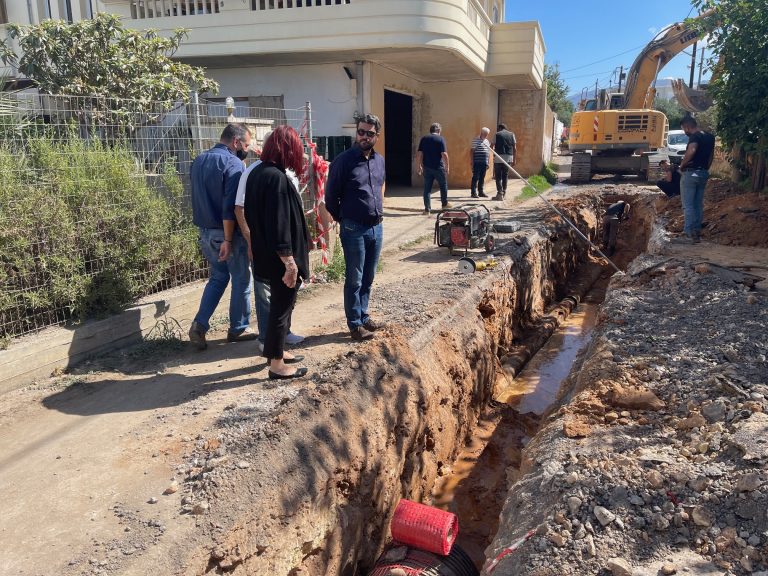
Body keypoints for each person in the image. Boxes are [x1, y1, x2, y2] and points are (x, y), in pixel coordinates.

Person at [243, 125, 309, 380]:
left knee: (277, 308)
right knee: (281, 308)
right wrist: (290, 263)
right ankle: (277, 366)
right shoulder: (277, 179)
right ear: (287, 149)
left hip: (265, 253)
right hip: (279, 258)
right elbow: (279, 225)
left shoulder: (258, 173)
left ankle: (276, 352)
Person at [188, 123, 257, 350]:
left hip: (205, 232)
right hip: (227, 235)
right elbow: (231, 207)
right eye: (246, 145)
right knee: (241, 279)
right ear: (236, 142)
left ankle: (199, 325)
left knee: (218, 278)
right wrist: (228, 240)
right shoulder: (233, 163)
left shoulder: (199, 160)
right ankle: (238, 328)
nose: (247, 149)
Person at [325, 113, 386, 341]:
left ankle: (363, 315)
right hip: (354, 228)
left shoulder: (379, 160)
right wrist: (344, 219)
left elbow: (380, 185)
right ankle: (354, 325)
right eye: (361, 132)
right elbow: (331, 196)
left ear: (376, 136)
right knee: (355, 278)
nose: (364, 136)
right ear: (356, 132)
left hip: (376, 227)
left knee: (369, 276)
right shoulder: (343, 161)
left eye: (369, 133)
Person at [678, 116, 715, 243]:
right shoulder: (710, 137)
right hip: (703, 173)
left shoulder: (695, 136)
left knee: (688, 205)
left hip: (691, 173)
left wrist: (682, 165)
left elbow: (692, 150)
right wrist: (706, 168)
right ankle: (696, 233)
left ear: (687, 127)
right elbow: (711, 156)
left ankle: (688, 235)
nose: (684, 132)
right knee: (698, 204)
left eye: (684, 129)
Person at [416, 122, 450, 214]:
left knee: (427, 188)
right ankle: (444, 204)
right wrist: (447, 166)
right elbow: (444, 154)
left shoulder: (424, 138)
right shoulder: (440, 139)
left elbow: (419, 153)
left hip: (427, 167)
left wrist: (418, 166)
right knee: (443, 185)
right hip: (438, 167)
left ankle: (427, 209)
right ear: (438, 130)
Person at [492, 123, 517, 200]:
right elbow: (515, 148)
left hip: (498, 157)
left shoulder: (497, 134)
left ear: (499, 128)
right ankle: (504, 193)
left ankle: (500, 194)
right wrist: (514, 159)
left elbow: (491, 146)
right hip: (509, 157)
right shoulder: (512, 134)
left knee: (498, 176)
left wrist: (494, 154)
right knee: (505, 175)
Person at [470, 127, 491, 198]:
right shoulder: (476, 140)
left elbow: (488, 153)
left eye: (487, 134)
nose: (486, 135)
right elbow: (472, 151)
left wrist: (488, 162)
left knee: (482, 177)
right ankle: (473, 193)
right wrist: (472, 161)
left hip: (484, 162)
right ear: (482, 133)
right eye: (485, 134)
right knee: (475, 177)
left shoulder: (487, 141)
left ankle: (481, 192)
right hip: (477, 162)